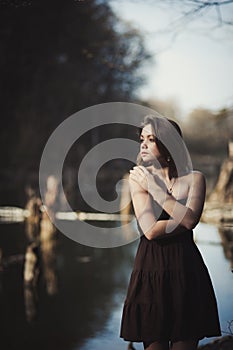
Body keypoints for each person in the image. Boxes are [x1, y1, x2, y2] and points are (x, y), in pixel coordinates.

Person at [120, 114, 221, 350]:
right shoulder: (138, 179)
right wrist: (180, 215)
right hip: (150, 272)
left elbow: (191, 221)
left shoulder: (196, 179)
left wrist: (157, 192)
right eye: (141, 138)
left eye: (151, 139)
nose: (143, 144)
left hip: (187, 273)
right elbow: (151, 231)